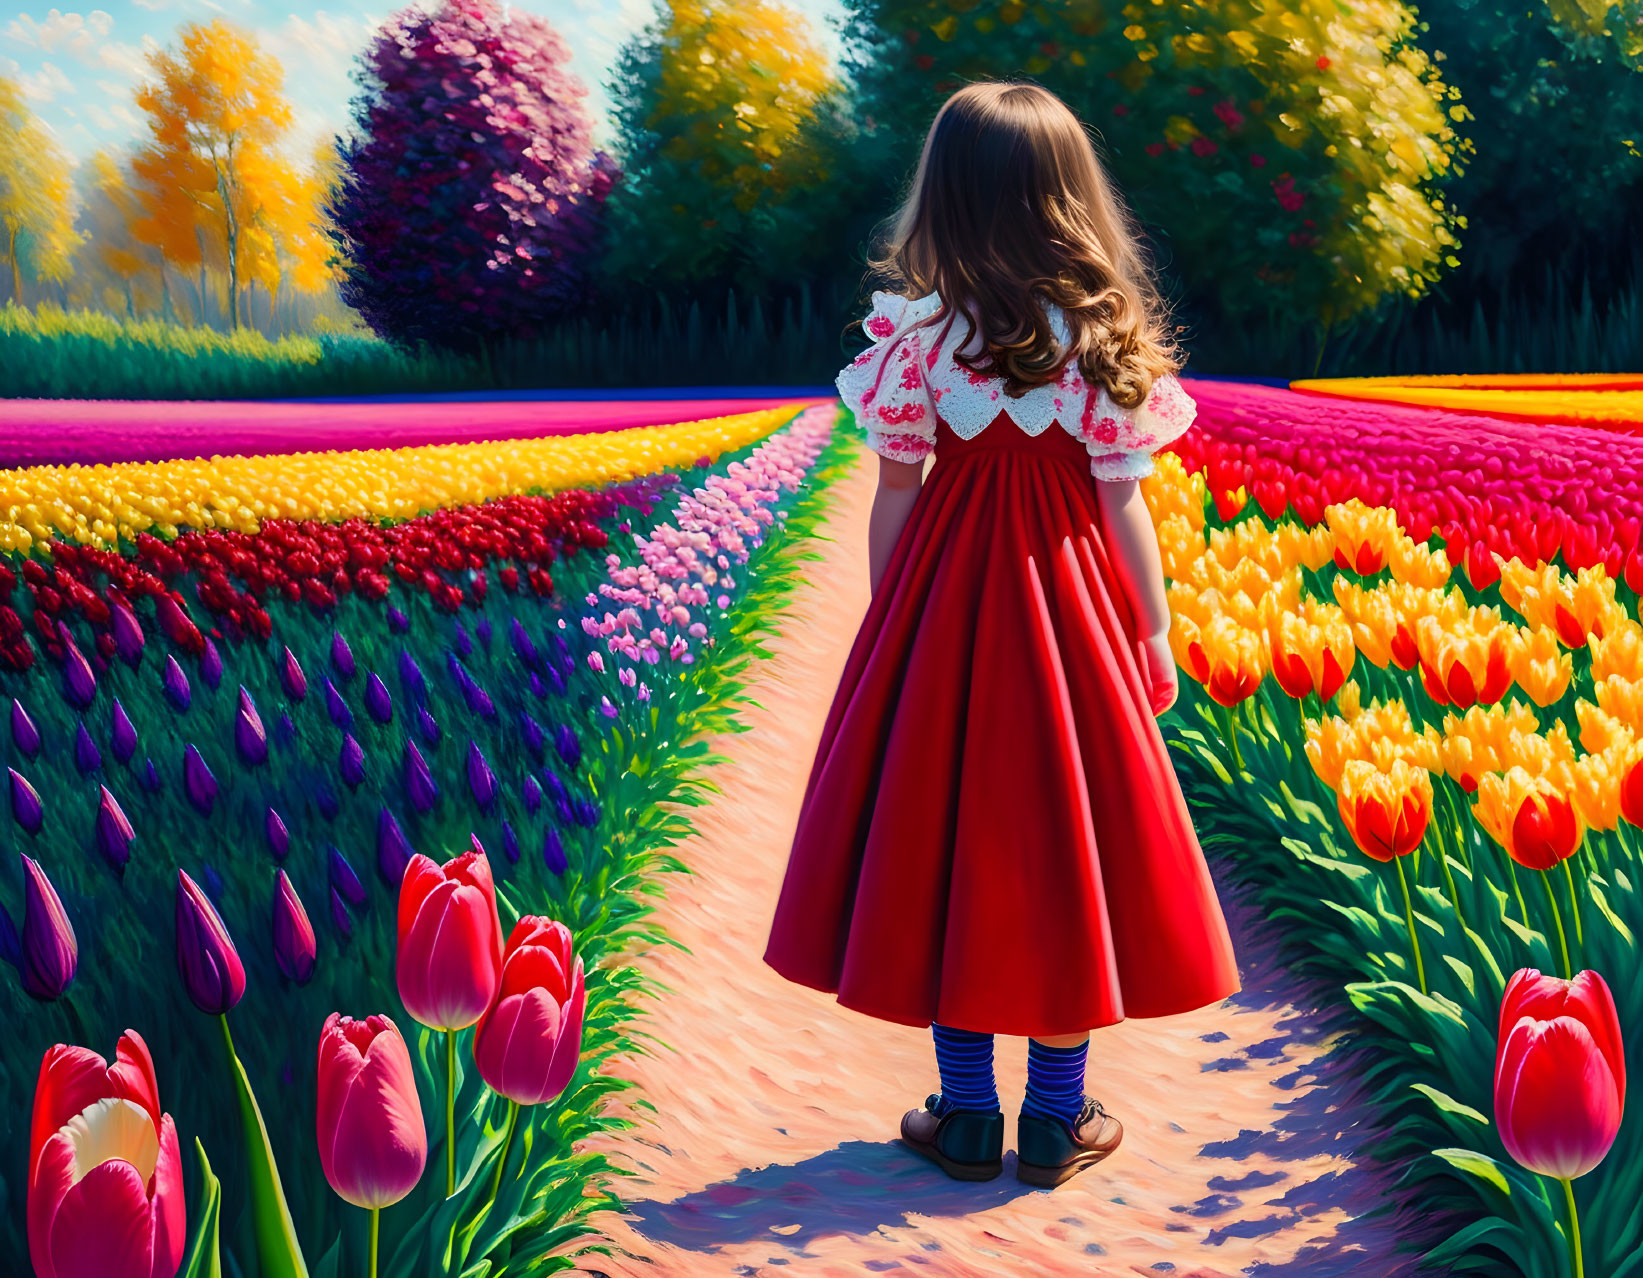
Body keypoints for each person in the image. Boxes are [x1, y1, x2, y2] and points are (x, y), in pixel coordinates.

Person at [761, 80, 1241, 1188]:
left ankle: (967, 1116)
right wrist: (1152, 631)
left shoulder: (916, 342)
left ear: (944, 201)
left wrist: (896, 615)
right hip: (1070, 617)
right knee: (1067, 847)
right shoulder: (1098, 341)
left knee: (945, 842)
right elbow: (1121, 499)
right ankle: (1055, 1121)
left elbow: (895, 490)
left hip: (947, 606)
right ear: (1066, 199)